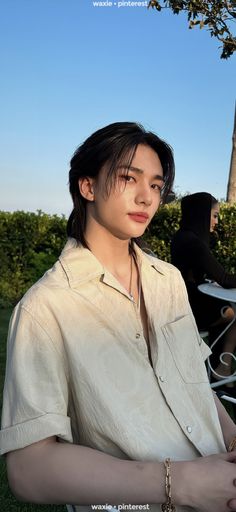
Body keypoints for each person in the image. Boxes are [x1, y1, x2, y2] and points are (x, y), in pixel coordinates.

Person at [1, 123, 236, 512]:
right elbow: (28, 468)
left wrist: (231, 439)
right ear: (87, 186)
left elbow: (196, 385)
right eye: (130, 178)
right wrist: (179, 483)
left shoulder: (169, 281)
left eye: (157, 186)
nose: (147, 197)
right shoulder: (46, 308)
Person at [171, 192, 236, 385]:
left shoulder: (182, 236)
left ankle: (220, 371)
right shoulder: (192, 242)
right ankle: (223, 368)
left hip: (185, 302)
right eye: (214, 215)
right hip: (189, 309)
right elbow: (224, 278)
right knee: (231, 312)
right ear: (201, 214)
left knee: (227, 310)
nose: (217, 221)